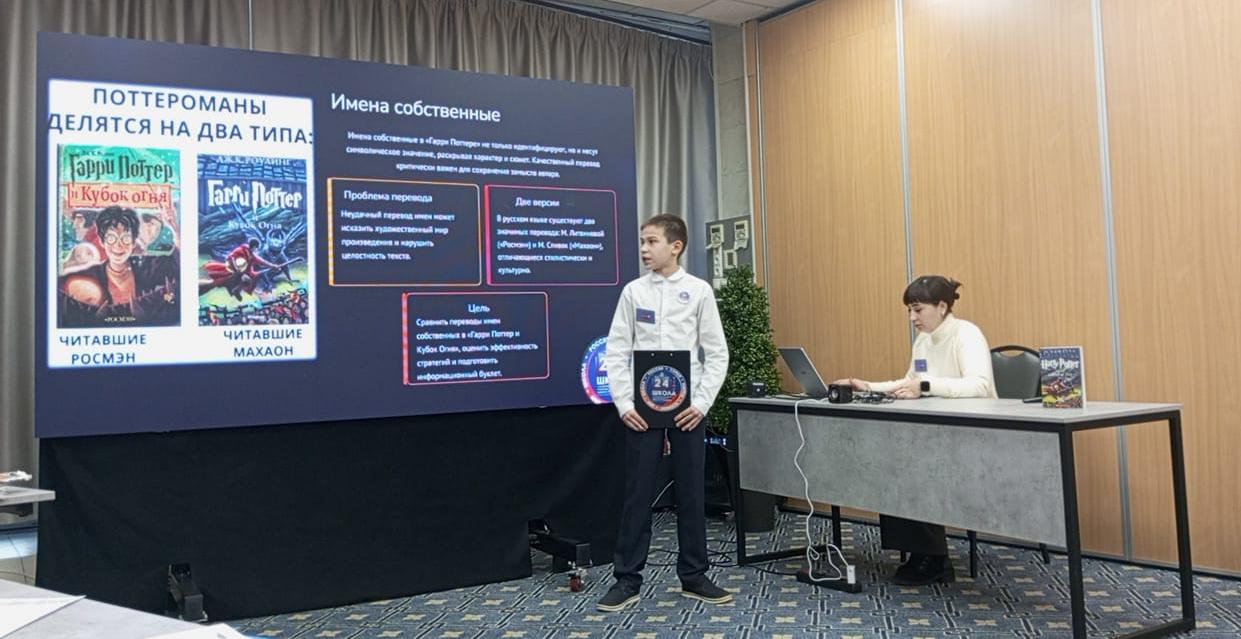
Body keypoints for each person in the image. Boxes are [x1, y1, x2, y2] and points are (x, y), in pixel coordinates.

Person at [597, 214, 731, 612]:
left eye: (652, 241)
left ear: (676, 246)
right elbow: (616, 352)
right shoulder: (633, 292)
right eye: (642, 241)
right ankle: (627, 579)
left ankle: (694, 575)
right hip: (642, 408)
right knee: (638, 492)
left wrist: (702, 404)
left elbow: (717, 353)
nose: (644, 249)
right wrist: (624, 405)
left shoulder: (699, 291)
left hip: (688, 408)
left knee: (691, 491)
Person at [833, 275, 996, 586]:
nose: (912, 318)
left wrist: (926, 386)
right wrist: (866, 386)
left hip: (971, 433)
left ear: (942, 306)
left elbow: (980, 386)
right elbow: (909, 382)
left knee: (912, 466)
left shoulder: (967, 334)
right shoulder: (923, 341)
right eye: (910, 310)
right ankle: (921, 552)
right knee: (892, 461)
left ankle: (933, 559)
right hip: (932, 432)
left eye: (918, 310)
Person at [58, 205, 179, 327]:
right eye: (111, 238)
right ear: (102, 242)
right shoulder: (88, 276)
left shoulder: (148, 266)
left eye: (126, 238)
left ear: (133, 242)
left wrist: (175, 229)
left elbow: (179, 261)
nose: (118, 245)